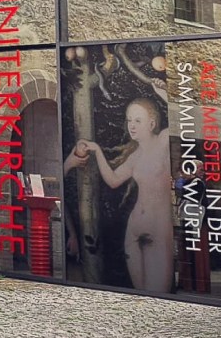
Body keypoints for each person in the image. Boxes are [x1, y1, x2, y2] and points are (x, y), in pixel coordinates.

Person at [73, 79, 173, 293]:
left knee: (159, 294)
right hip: (134, 232)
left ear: (152, 123)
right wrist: (97, 150)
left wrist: (162, 92)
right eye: (129, 121)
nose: (132, 126)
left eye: (138, 120)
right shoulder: (135, 157)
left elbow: (186, 120)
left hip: (159, 229)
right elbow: (113, 180)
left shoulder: (164, 140)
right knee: (141, 294)